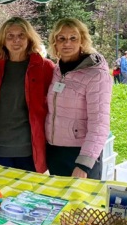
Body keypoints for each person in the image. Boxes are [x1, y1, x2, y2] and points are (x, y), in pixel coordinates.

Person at [0, 17, 55, 173]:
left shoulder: (44, 67)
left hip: (30, 151)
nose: (16, 40)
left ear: (29, 38)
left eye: (21, 35)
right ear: (3, 40)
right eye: (10, 36)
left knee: (27, 196)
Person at [45, 18, 112, 179]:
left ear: (82, 40)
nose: (67, 43)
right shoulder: (57, 70)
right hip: (55, 151)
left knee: (81, 204)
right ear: (55, 43)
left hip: (80, 154)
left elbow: (99, 123)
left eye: (73, 38)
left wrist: (84, 163)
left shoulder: (96, 75)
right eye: (61, 38)